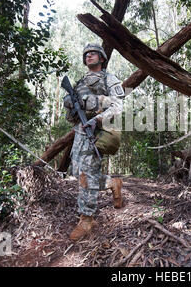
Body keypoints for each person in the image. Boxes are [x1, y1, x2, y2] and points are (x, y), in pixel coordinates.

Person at [63, 43, 125, 241]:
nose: (89, 56)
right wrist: (70, 105)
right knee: (77, 173)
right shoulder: (79, 83)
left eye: (93, 54)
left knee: (85, 174)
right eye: (86, 54)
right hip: (81, 132)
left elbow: (117, 107)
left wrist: (96, 119)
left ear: (102, 58)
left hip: (98, 131)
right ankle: (112, 183)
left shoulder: (109, 79)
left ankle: (86, 219)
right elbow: (71, 112)